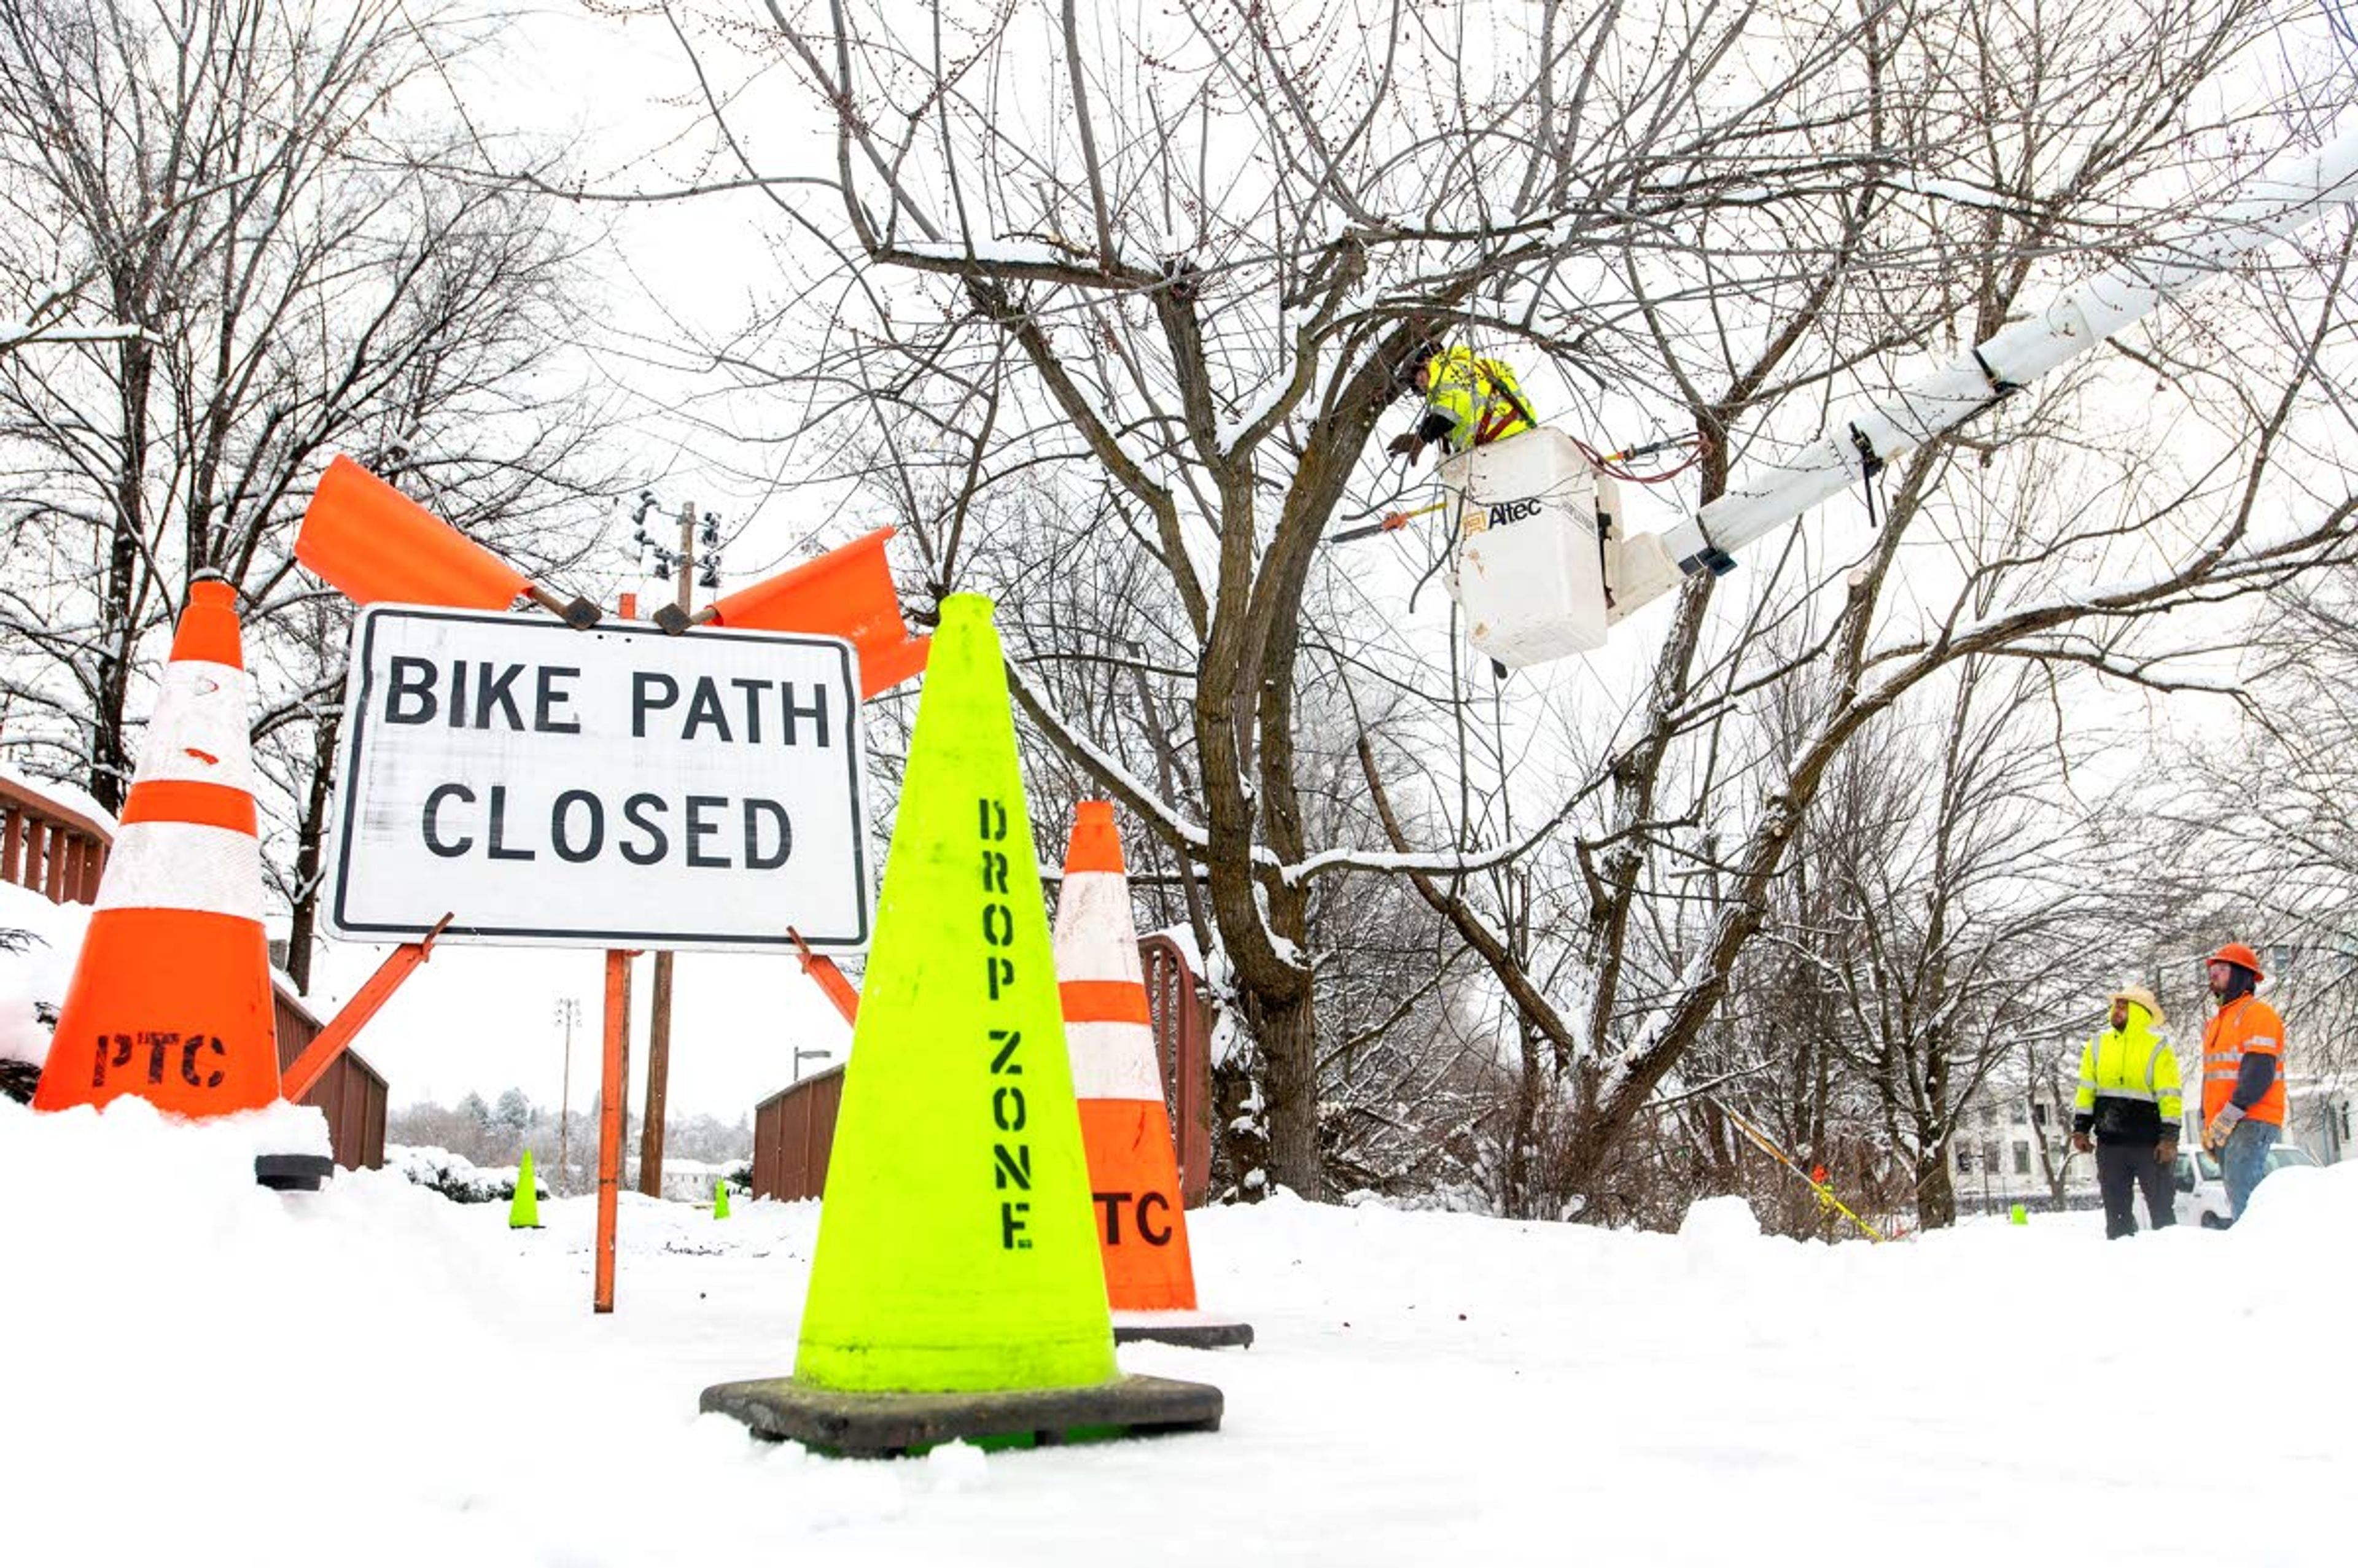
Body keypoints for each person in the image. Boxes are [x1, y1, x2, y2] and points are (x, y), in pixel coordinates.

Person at [2069, 984, 2182, 1240]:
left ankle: (2171, 1261)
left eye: (2123, 1005)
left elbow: (2170, 1096)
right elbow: (2086, 1091)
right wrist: (2080, 1129)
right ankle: (2122, 1266)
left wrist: (2169, 1138)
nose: (2116, 1010)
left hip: (2150, 1145)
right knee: (2116, 1214)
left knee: (2162, 1211)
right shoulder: (2097, 1045)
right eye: (2116, 1005)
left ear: (2140, 1012)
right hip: (2111, 1144)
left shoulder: (2158, 1047)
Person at [2199, 941, 2287, 1225]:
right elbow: (2211, 1079)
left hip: (2251, 1119)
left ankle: (2257, 1257)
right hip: (2227, 1123)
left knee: (2245, 1198)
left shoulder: (2257, 1014)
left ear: (2241, 975)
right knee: (2238, 1197)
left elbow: (2259, 1072)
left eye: (2222, 969)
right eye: (2213, 969)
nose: (2214, 975)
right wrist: (2207, 1123)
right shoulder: (2216, 1023)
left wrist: (2227, 1116)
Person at [1385, 344, 1535, 466]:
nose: (1421, 385)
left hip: (1499, 444)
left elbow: (1454, 406)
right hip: (1524, 436)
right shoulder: (1475, 367)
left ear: (1426, 361)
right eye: (1417, 387)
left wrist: (1422, 437)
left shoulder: (1444, 369)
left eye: (1417, 378)